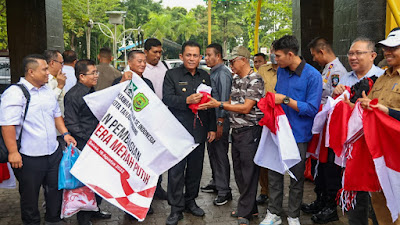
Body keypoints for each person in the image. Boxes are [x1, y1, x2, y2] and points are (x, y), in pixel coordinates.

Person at [0, 54, 76, 225]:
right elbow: (7, 125)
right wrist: (13, 152)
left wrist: (65, 133)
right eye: (44, 69)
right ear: (31, 72)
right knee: (30, 195)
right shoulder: (15, 93)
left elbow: (56, 115)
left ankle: (53, 219)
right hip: (29, 156)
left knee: (55, 190)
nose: (48, 72)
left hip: (53, 151)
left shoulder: (48, 90)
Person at [259, 35, 322, 225]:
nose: (275, 60)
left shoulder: (313, 76)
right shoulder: (283, 71)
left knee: (296, 176)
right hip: (278, 132)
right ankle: (274, 212)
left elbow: (312, 108)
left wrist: (285, 99)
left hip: (299, 134)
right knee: (274, 173)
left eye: (277, 56)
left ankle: (293, 215)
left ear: (290, 54)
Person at [199, 45, 264, 225]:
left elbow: (245, 108)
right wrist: (214, 103)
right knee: (240, 172)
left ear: (243, 60)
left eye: (233, 61)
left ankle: (244, 211)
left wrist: (219, 106)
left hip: (250, 131)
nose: (231, 65)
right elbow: (230, 102)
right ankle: (251, 208)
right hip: (236, 131)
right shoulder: (236, 79)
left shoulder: (255, 80)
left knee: (249, 172)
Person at [162, 41, 216, 225]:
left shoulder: (205, 76)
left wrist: (212, 127)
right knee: (176, 171)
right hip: (178, 130)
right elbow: (167, 99)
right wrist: (187, 100)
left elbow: (210, 104)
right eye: (188, 55)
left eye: (195, 55)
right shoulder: (171, 74)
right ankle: (175, 209)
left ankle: (190, 201)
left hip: (199, 130)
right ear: (181, 56)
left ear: (200, 57)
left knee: (195, 169)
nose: (192, 59)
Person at [332, 37, 384, 225]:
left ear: (373, 55)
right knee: (357, 192)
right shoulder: (345, 78)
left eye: (358, 53)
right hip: (353, 148)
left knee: (379, 196)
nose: (353, 57)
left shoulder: (382, 78)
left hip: (376, 146)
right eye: (351, 53)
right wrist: (337, 95)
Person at [301, 37, 347, 224]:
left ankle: (330, 206)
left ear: (322, 52)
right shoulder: (327, 69)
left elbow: (333, 102)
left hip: (331, 126)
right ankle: (320, 201)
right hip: (322, 125)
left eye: (314, 55)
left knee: (330, 168)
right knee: (320, 166)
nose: (314, 59)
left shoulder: (337, 71)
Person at [357, 27, 400, 225]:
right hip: (381, 153)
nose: (388, 52)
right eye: (385, 48)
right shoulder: (382, 77)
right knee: (379, 198)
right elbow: (371, 109)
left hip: (397, 155)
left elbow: (383, 111)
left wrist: (387, 111)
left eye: (394, 48)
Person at [64, 59, 112, 225]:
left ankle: (95, 209)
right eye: (93, 73)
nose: (96, 76)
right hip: (84, 144)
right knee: (86, 182)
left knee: (98, 179)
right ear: (81, 76)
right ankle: (83, 218)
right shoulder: (72, 95)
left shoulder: (93, 91)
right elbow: (71, 123)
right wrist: (89, 139)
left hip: (97, 142)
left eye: (96, 72)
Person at [200, 43, 233, 206]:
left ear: (218, 56)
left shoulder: (223, 74)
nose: (206, 58)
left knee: (220, 155)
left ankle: (224, 191)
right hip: (212, 121)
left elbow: (225, 100)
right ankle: (216, 182)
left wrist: (220, 122)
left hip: (220, 120)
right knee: (213, 152)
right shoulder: (214, 72)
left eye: (208, 55)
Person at [142, 38, 169, 200]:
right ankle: (145, 189)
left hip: (162, 117)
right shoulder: (140, 68)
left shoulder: (165, 66)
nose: (158, 55)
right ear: (145, 52)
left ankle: (158, 187)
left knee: (159, 155)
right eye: (154, 52)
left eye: (160, 52)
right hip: (145, 119)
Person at [256, 41, 278, 205]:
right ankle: (265, 190)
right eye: (272, 51)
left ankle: (280, 192)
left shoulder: (289, 70)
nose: (274, 54)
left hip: (284, 119)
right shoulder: (263, 70)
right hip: (264, 119)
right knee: (265, 155)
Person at [43, 50, 67, 114]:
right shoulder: (45, 80)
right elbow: (48, 102)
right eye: (61, 63)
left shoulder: (58, 78)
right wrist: (59, 87)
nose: (62, 66)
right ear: (52, 63)